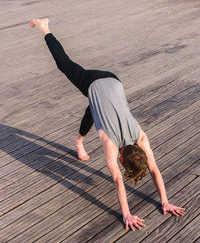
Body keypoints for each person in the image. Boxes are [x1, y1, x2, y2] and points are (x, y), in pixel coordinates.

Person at [29, 18, 185, 231]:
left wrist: (166, 202)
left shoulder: (141, 138)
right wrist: (127, 214)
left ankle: (79, 141)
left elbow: (155, 169)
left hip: (114, 81)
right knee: (64, 64)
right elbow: (118, 181)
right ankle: (44, 26)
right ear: (122, 158)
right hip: (94, 82)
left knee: (95, 108)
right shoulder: (110, 144)